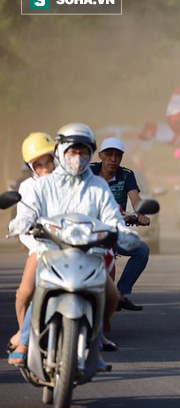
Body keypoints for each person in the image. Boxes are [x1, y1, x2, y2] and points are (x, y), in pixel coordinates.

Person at [8, 123, 140, 369]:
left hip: (90, 253)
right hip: (53, 250)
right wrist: (22, 222)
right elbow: (29, 210)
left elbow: (112, 216)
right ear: (62, 152)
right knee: (37, 291)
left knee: (110, 297)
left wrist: (123, 233)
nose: (77, 158)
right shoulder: (45, 184)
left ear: (91, 153)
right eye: (72, 151)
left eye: (83, 152)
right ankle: (25, 341)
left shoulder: (99, 186)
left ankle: (93, 346)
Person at [7, 133, 56, 357]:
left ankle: (96, 337)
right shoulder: (27, 187)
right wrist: (36, 243)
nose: (47, 168)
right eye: (40, 164)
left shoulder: (69, 181)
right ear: (31, 167)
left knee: (104, 289)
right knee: (25, 294)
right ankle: (23, 334)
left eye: (50, 161)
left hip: (73, 247)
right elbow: (23, 219)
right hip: (41, 247)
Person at [90, 137, 150, 311]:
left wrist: (140, 214)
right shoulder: (89, 171)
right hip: (87, 230)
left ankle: (120, 294)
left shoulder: (126, 174)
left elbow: (135, 199)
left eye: (117, 155)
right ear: (100, 155)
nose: (113, 159)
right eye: (109, 154)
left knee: (142, 250)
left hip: (113, 232)